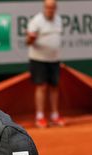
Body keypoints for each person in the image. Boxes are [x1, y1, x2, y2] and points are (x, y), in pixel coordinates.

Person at [26, 0, 65, 128]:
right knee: (41, 87)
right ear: (44, 8)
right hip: (39, 59)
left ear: (55, 8)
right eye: (48, 7)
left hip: (54, 59)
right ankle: (40, 117)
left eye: (52, 7)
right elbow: (28, 41)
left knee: (54, 87)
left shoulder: (58, 19)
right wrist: (31, 38)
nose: (50, 10)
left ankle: (54, 115)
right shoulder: (36, 21)